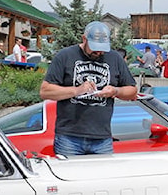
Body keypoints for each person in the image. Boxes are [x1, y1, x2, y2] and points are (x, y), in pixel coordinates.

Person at [39, 21, 137, 155]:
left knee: (102, 176)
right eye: (94, 47)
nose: (99, 52)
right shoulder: (65, 56)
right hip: (69, 138)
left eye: (102, 48)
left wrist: (115, 91)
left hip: (102, 139)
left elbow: (132, 91)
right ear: (84, 39)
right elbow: (45, 91)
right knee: (70, 175)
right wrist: (77, 90)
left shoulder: (115, 58)